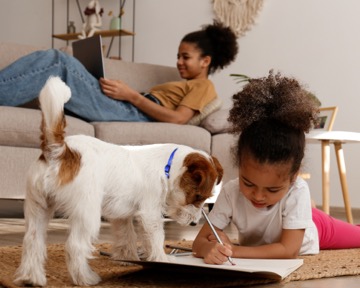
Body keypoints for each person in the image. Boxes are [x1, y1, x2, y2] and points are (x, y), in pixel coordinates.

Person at [192, 71, 360, 264]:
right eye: (248, 183)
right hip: (291, 214)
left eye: (272, 189)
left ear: (294, 177)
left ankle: (309, 211)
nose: (258, 196)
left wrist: (234, 251)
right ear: (239, 166)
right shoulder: (231, 192)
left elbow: (288, 251)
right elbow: (198, 243)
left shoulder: (297, 191)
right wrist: (211, 248)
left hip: (316, 226)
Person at [0, 21, 238, 123]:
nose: (179, 62)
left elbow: (179, 119)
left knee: (58, 61)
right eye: (178, 56)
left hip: (133, 111)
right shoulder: (183, 83)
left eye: (186, 57)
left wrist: (131, 95)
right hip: (128, 106)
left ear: (206, 61)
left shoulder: (204, 87)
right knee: (59, 63)